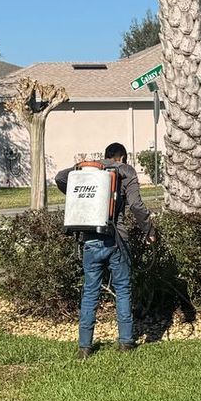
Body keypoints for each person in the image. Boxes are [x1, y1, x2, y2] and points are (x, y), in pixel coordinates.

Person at [54, 142, 151, 358]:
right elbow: (136, 205)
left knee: (90, 292)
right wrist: (149, 230)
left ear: (106, 156)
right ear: (122, 157)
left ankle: (85, 347)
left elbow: (60, 178)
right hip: (118, 239)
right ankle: (126, 342)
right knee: (123, 289)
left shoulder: (90, 171)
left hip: (90, 240)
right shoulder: (126, 171)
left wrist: (77, 185)